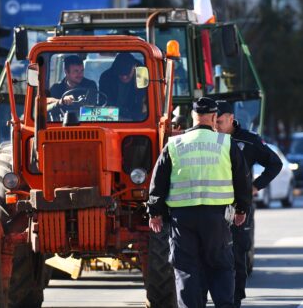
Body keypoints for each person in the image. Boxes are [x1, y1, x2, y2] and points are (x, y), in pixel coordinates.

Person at [148, 97, 253, 308]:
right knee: (220, 266)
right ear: (214, 118)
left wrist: (155, 212)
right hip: (217, 218)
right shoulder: (226, 144)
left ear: (193, 117)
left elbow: (158, 180)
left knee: (187, 269)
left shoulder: (174, 144)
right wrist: (242, 209)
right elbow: (243, 180)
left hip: (182, 219)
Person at [215, 101, 283, 308]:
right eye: (212, 122)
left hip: (239, 207)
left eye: (218, 121)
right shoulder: (208, 139)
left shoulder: (249, 141)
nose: (215, 126)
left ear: (230, 118)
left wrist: (255, 186)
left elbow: (275, 163)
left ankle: (235, 301)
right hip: (212, 205)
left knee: (237, 255)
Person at [99, 53, 146, 120]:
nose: (124, 77)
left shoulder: (143, 77)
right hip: (112, 118)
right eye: (120, 73)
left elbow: (145, 105)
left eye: (127, 73)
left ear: (134, 67)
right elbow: (104, 102)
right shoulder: (106, 78)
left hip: (138, 121)